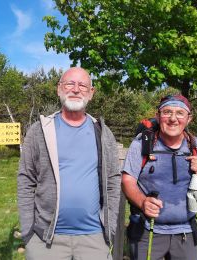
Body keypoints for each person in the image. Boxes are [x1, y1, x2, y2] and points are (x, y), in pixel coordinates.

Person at [17, 67, 121, 260]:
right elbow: (26, 179)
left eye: (82, 85)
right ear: (59, 89)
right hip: (46, 240)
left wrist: (110, 227)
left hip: (94, 238)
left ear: (91, 92)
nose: (75, 89)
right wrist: (28, 231)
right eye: (69, 84)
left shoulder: (103, 133)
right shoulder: (39, 131)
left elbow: (113, 180)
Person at [122, 94, 197, 260]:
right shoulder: (142, 144)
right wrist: (143, 202)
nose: (173, 118)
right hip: (147, 230)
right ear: (158, 116)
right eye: (167, 112)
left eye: (180, 113)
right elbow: (127, 180)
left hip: (186, 231)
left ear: (189, 119)